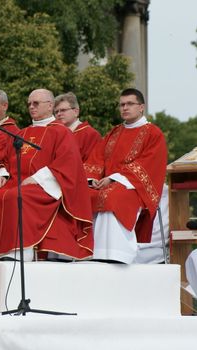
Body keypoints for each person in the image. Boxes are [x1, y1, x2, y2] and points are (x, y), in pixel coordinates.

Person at [0, 88, 93, 261]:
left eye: (36, 103)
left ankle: (20, 252)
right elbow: (6, 158)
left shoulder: (61, 131)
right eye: (29, 104)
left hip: (44, 185)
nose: (31, 107)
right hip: (15, 181)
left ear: (50, 105)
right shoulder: (23, 133)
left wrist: (36, 178)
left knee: (17, 196)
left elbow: (67, 164)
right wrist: (2, 173)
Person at [84, 88, 167, 263]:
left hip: (134, 187)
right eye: (122, 104)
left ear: (141, 107)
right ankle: (91, 252)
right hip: (106, 183)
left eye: (130, 104)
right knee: (84, 195)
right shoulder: (114, 133)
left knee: (113, 196)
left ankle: (118, 253)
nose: (125, 108)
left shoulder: (153, 133)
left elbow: (149, 164)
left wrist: (113, 178)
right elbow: (96, 157)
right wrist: (94, 179)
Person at [54, 92, 101, 162]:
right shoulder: (54, 134)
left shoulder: (90, 134)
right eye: (56, 112)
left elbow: (93, 163)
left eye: (63, 110)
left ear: (76, 112)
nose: (59, 114)